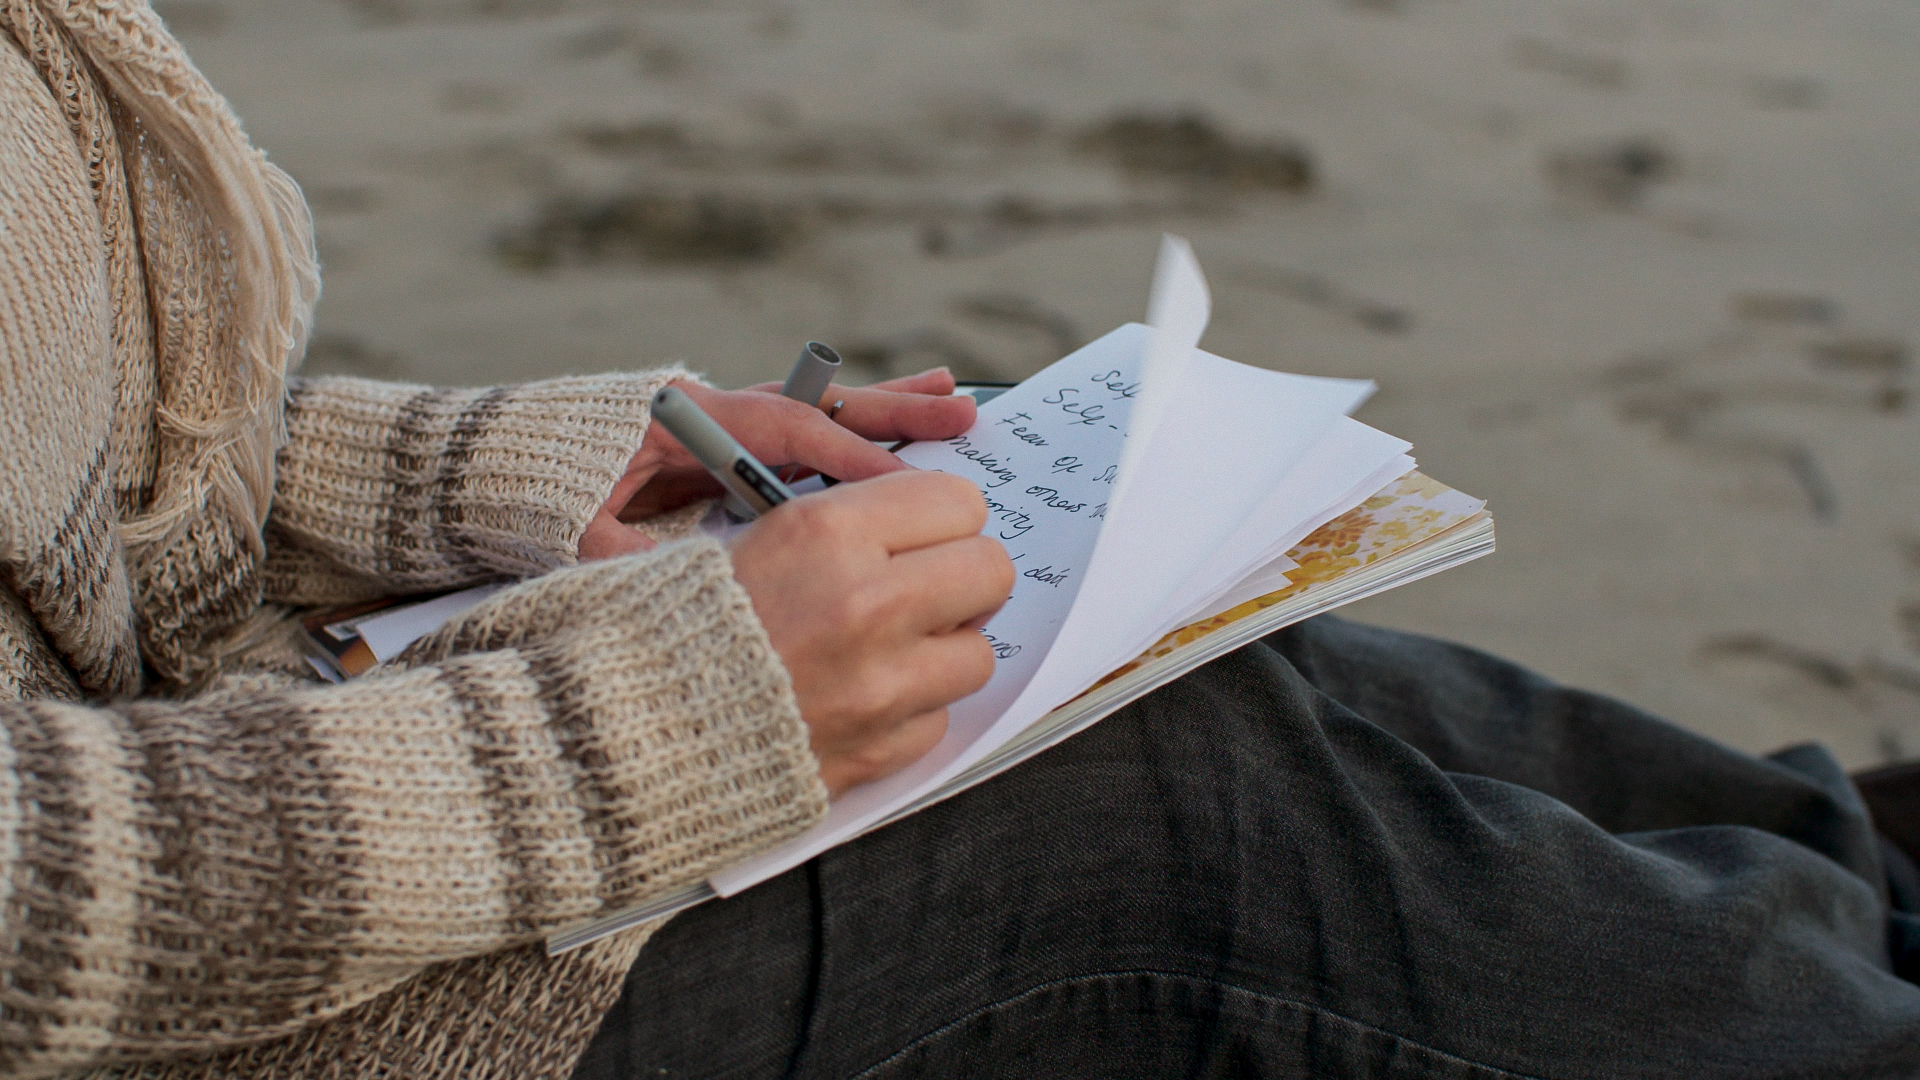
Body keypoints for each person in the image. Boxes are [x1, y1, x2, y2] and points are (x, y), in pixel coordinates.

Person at [1, 4, 1916, 1079]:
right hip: (230, 1006)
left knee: (1197, 647)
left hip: (259, 739)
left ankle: (1854, 886)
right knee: (1144, 812)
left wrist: (469, 490)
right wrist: (630, 735)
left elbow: (63, 484)